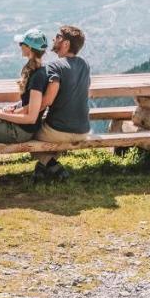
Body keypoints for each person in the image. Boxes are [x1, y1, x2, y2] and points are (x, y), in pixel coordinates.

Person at [33, 25, 93, 181]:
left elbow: (47, 100)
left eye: (58, 37)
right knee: (50, 132)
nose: (54, 39)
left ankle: (51, 164)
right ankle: (41, 168)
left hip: (59, 131)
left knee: (26, 134)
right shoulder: (84, 65)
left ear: (66, 44)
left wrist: (25, 112)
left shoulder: (54, 67)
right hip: (83, 130)